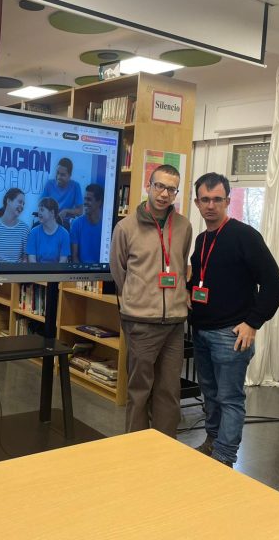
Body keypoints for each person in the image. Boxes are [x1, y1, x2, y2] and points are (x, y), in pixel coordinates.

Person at [188, 172, 279, 467]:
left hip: (231, 335)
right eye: (205, 199)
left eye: (217, 199)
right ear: (197, 202)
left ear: (228, 201)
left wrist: (253, 322)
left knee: (230, 398)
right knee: (210, 394)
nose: (211, 205)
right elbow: (202, 280)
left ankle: (225, 457)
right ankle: (212, 441)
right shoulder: (202, 239)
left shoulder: (245, 236)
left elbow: (275, 284)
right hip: (201, 331)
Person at [110, 165, 191, 438]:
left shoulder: (184, 226)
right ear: (148, 186)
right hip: (140, 321)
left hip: (175, 322)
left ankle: (165, 449)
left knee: (169, 391)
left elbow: (180, 265)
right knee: (139, 391)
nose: (164, 194)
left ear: (176, 193)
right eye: (159, 186)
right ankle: (136, 449)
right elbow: (119, 271)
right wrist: (139, 297)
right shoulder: (125, 227)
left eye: (171, 189)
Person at [0, 188, 30, 263]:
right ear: (8, 201)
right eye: (20, 202)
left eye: (23, 204)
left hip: (17, 269)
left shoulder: (24, 229)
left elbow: (25, 258)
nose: (22, 206)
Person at [41, 157, 83, 228]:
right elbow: (41, 205)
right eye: (57, 173)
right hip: (49, 220)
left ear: (69, 176)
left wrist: (66, 211)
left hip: (65, 222)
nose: (58, 177)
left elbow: (80, 211)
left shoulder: (75, 186)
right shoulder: (49, 184)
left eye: (62, 175)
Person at [27, 197, 70, 262]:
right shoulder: (33, 232)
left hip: (58, 268)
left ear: (52, 212)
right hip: (37, 268)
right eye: (38, 210)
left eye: (42, 210)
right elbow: (32, 259)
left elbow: (63, 261)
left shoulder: (64, 234)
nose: (39, 213)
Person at [70, 183, 104, 264]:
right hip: (81, 270)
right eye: (84, 199)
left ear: (99, 202)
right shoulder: (76, 224)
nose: (85, 202)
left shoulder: (105, 226)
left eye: (89, 199)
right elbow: (74, 257)